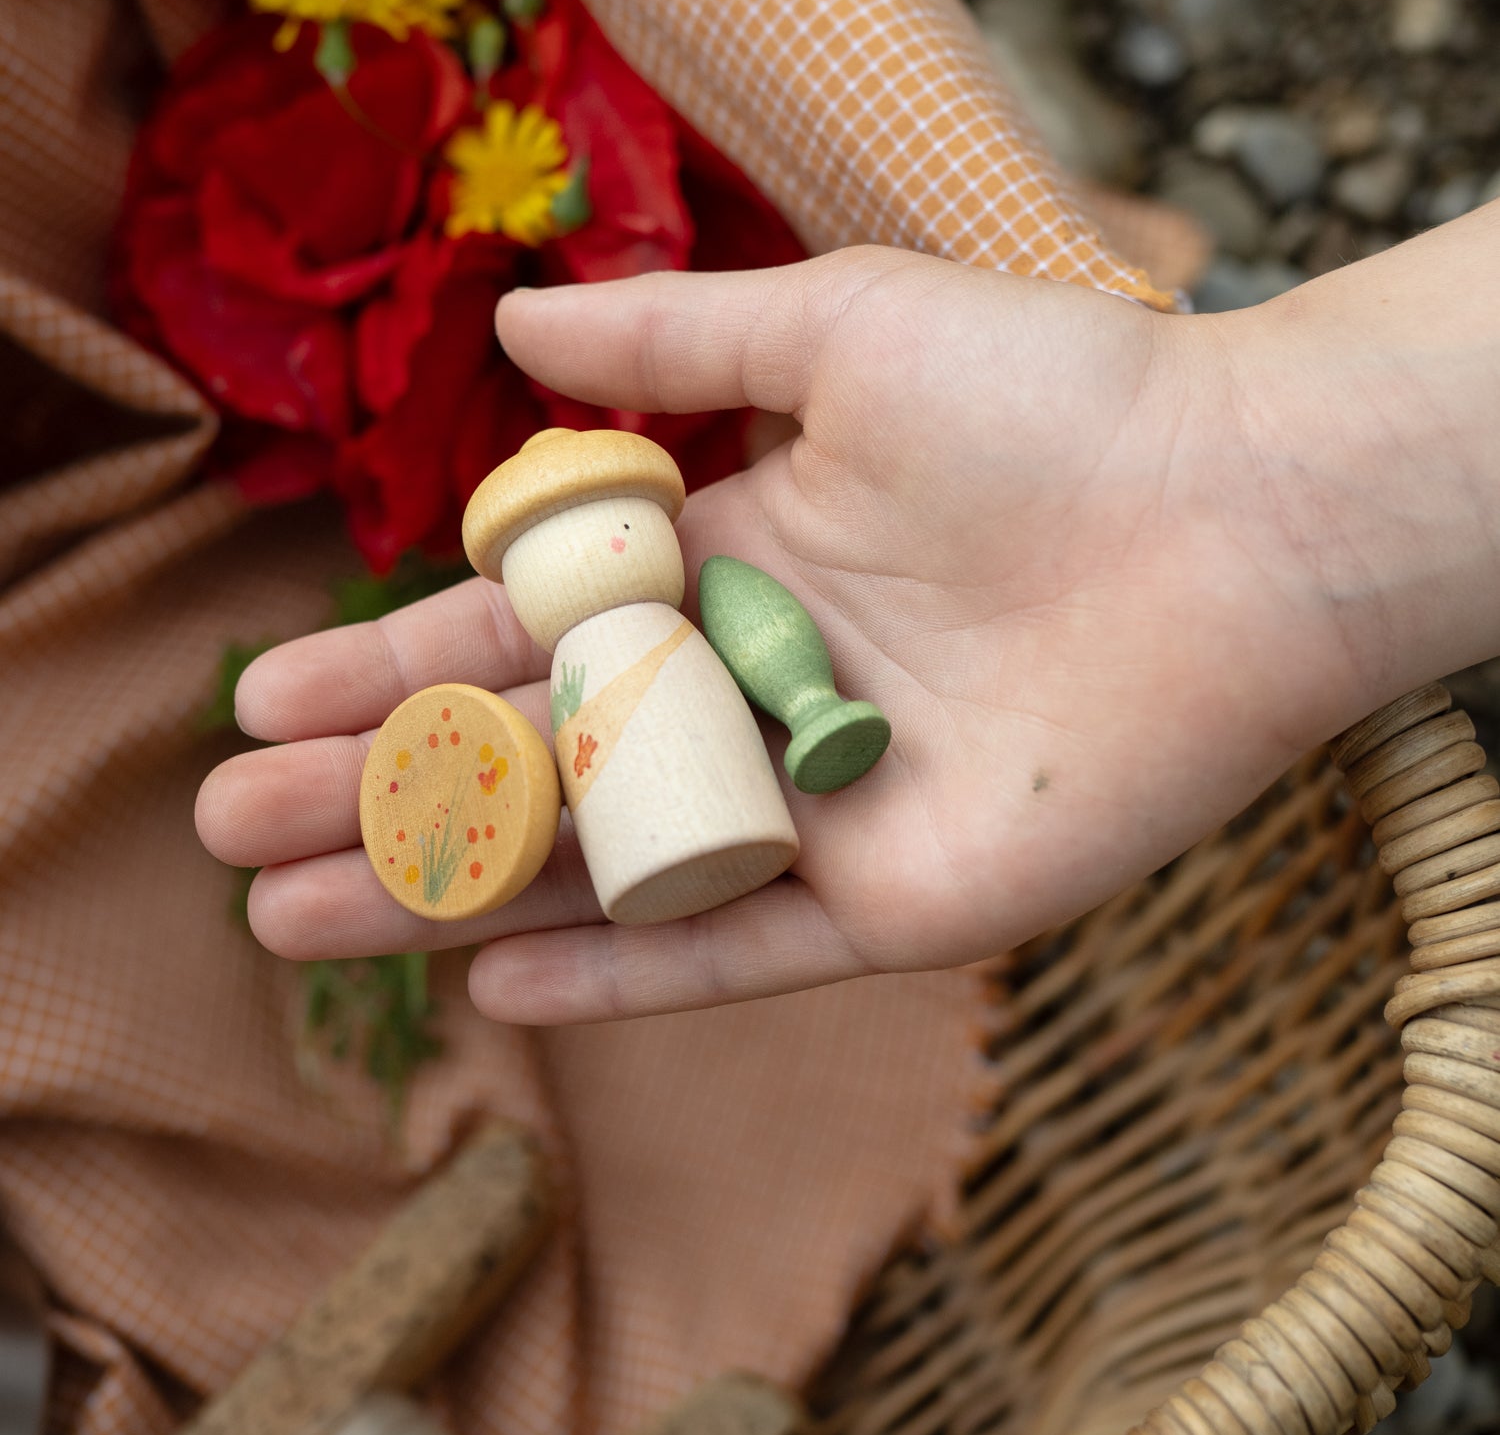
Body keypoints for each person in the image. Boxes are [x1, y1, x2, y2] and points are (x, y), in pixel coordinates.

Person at [197, 212, 1500, 1024]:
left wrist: (1220, 457)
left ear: (649, 527)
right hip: (644, 791)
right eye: (563, 550)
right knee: (636, 760)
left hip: (737, 785)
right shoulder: (618, 638)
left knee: (674, 754)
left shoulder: (674, 616)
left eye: (610, 529)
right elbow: (604, 748)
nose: (595, 556)